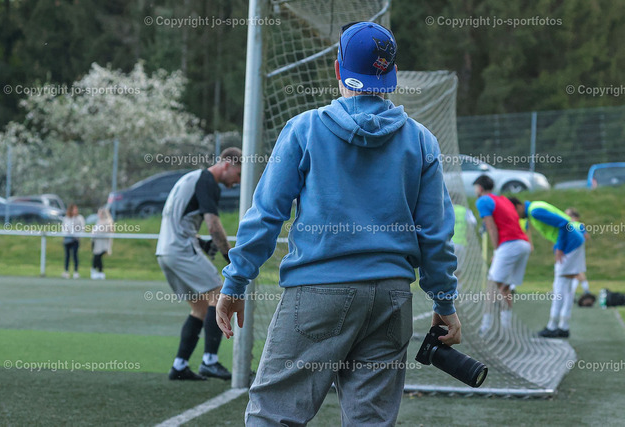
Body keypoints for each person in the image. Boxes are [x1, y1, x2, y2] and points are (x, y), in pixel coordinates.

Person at [216, 21, 461, 425]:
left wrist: (235, 282)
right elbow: (435, 235)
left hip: (318, 291)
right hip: (391, 298)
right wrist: (444, 302)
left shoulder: (304, 128)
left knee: (273, 416)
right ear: (392, 74)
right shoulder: (422, 141)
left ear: (338, 70)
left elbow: (266, 216)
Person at [156, 147, 242, 381]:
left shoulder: (191, 177)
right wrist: (230, 256)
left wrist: (200, 242)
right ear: (226, 165)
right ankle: (210, 362)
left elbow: (179, 219)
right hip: (181, 250)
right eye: (238, 175)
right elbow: (213, 224)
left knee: (200, 309)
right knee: (221, 295)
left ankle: (179, 366)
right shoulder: (208, 181)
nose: (236, 182)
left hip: (164, 251)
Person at [510, 198, 586, 338]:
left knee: (560, 286)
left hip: (570, 245)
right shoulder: (535, 207)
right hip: (574, 242)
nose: (515, 216)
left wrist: (559, 247)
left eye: (513, 212)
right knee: (567, 287)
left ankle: (553, 325)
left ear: (518, 206)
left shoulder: (535, 211)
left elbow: (563, 223)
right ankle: (563, 326)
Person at [473, 175, 531, 335]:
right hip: (523, 245)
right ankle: (506, 329)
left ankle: (486, 327)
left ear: (479, 188)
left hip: (509, 245)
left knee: (491, 286)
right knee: (504, 287)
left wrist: (497, 250)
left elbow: (491, 227)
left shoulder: (483, 200)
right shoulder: (504, 199)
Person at [565, 208, 591, 295]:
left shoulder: (570, 225)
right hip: (576, 252)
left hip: (570, 252)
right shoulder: (578, 225)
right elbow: (586, 237)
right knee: (576, 271)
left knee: (574, 272)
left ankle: (573, 291)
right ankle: (582, 290)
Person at [61, 204, 86, 279]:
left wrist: (78, 235)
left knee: (75, 255)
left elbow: (82, 228)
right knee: (67, 256)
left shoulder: (79, 218)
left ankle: (76, 272)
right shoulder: (66, 218)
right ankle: (66, 271)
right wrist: (67, 233)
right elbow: (64, 228)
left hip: (75, 239)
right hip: (67, 239)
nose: (75, 211)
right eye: (74, 209)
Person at [91, 207, 114, 280]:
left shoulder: (108, 221)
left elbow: (108, 231)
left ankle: (98, 271)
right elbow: (94, 231)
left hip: (104, 243)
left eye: (100, 213)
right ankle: (97, 271)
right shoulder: (98, 221)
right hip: (97, 243)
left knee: (98, 257)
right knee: (97, 257)